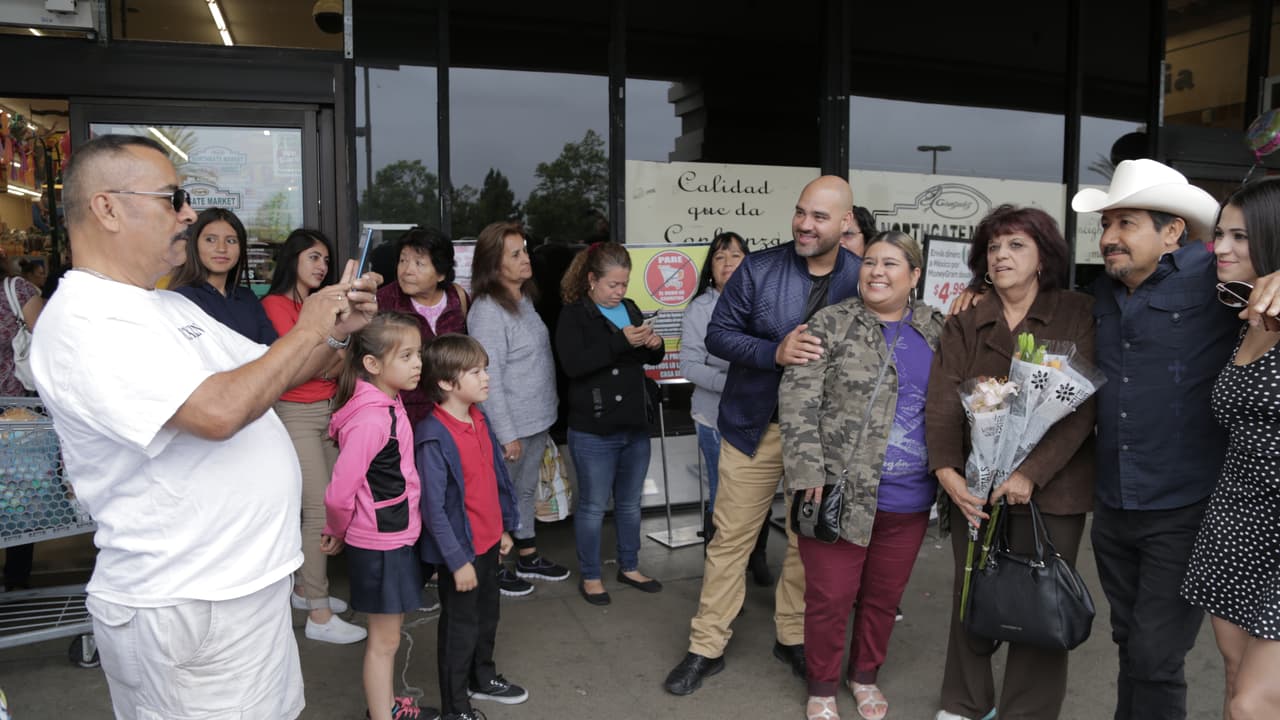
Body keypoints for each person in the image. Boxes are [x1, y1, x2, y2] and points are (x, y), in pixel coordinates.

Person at [29, 133, 379, 719]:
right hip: (187, 605)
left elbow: (274, 375)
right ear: (107, 208)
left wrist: (336, 330)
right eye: (173, 197)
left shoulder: (167, 306)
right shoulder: (83, 323)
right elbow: (217, 413)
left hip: (243, 589)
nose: (188, 213)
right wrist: (307, 329)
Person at [664, 175, 862, 696]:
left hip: (820, 441)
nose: (804, 223)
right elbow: (719, 335)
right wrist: (773, 353)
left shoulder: (862, 278)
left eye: (819, 216)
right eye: (800, 211)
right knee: (730, 540)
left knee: (804, 543)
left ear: (845, 223)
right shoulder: (760, 267)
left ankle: (790, 637)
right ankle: (706, 646)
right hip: (755, 428)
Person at [1071, 159, 1241, 720]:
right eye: (1106, 225)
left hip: (1184, 504)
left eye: (1126, 223)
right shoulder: (1103, 292)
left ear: (1172, 232)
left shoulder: (1219, 278)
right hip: (1115, 501)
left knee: (1156, 653)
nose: (1109, 238)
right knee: (1129, 641)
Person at [926, 205, 1096, 720]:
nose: (1001, 255)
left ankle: (1029, 711)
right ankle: (964, 701)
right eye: (994, 247)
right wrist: (947, 472)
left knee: (1040, 596)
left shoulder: (1077, 312)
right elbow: (941, 399)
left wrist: (1029, 474)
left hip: (1055, 490)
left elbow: (1080, 409)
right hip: (974, 487)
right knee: (971, 591)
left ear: (1044, 257)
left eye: (1016, 245)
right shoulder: (965, 322)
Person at [781, 231, 944, 720]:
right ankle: (823, 686)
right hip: (837, 491)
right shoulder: (830, 323)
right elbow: (797, 399)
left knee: (883, 597)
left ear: (914, 276)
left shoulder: (938, 329)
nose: (875, 271)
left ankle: (865, 674)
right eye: (870, 261)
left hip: (910, 496)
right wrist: (808, 470)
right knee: (830, 597)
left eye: (891, 264)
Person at [1181, 178, 1280, 720]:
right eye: (1219, 234)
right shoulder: (1242, 317)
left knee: (1254, 703)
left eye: (1240, 236)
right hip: (1237, 520)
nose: (1220, 248)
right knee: (1236, 677)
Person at [323, 312, 434, 720]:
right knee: (384, 642)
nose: (417, 363)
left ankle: (385, 707)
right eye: (405, 355)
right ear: (372, 364)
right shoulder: (373, 418)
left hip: (391, 536)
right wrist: (336, 530)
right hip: (382, 541)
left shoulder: (387, 403)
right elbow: (339, 493)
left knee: (386, 638)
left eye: (417, 353)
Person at [416, 334, 529, 720]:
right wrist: (456, 561)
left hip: (487, 544)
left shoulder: (478, 418)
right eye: (475, 371)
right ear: (447, 383)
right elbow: (434, 510)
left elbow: (491, 482)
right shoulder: (434, 436)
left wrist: (502, 529)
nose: (486, 378)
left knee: (487, 616)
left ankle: (482, 678)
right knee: (459, 630)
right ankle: (456, 708)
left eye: (485, 369)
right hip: (461, 554)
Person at [263, 228, 365, 644]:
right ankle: (319, 616)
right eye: (313, 258)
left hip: (330, 410)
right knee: (317, 510)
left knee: (335, 500)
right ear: (293, 261)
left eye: (326, 259)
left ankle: (306, 591)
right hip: (296, 412)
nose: (322, 266)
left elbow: (342, 357)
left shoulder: (320, 304)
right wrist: (330, 356)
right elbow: (301, 363)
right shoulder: (274, 304)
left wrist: (329, 357)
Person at [554, 241, 664, 605]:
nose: (620, 292)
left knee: (631, 504)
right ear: (591, 280)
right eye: (612, 285)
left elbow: (648, 358)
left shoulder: (629, 308)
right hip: (593, 428)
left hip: (633, 424)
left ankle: (629, 565)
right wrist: (620, 342)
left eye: (624, 284)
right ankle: (590, 575)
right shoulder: (574, 314)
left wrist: (654, 343)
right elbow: (573, 366)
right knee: (593, 505)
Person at [467, 221, 569, 596]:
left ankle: (527, 553)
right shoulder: (488, 311)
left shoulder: (522, 299)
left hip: (537, 419)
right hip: (511, 426)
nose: (526, 258)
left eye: (525, 250)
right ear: (494, 264)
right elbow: (486, 378)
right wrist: (506, 433)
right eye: (516, 254)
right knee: (497, 497)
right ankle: (492, 566)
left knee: (524, 492)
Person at [680, 231, 773, 585]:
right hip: (715, 417)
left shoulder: (765, 303)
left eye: (736, 255)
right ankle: (721, 577)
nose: (728, 263)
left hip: (760, 415)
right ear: (711, 268)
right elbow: (689, 365)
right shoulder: (699, 310)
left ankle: (757, 558)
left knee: (760, 492)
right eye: (720, 257)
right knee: (725, 499)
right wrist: (732, 380)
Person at [376, 226, 471, 427]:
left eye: (419, 263)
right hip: (402, 416)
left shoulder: (458, 298)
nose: (407, 270)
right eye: (403, 260)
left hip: (452, 412)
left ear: (441, 273)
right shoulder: (383, 302)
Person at [169, 208, 277, 344]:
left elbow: (272, 348)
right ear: (194, 245)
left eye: (231, 241)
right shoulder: (183, 298)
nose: (221, 248)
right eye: (210, 239)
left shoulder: (247, 297)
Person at [0, 257, 43, 593]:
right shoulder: (19, 290)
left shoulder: (15, 289)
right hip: (18, 410)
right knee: (19, 492)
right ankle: (16, 577)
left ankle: (16, 576)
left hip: (19, 413)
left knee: (19, 493)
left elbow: (47, 344)